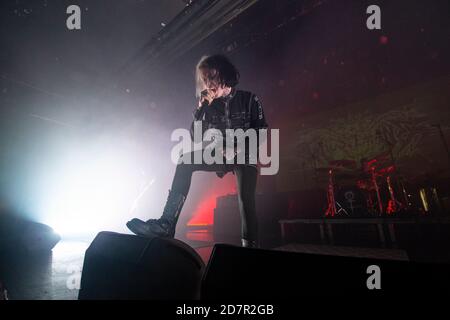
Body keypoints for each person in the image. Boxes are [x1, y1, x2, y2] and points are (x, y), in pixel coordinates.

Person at [126, 54, 268, 248]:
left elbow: (261, 131)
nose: (208, 83)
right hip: (219, 155)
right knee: (185, 160)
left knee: (246, 199)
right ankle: (166, 224)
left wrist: (237, 149)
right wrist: (200, 110)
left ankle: (250, 245)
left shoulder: (249, 99)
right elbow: (197, 137)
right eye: (205, 79)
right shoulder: (209, 106)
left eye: (211, 77)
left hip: (245, 154)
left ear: (224, 74)